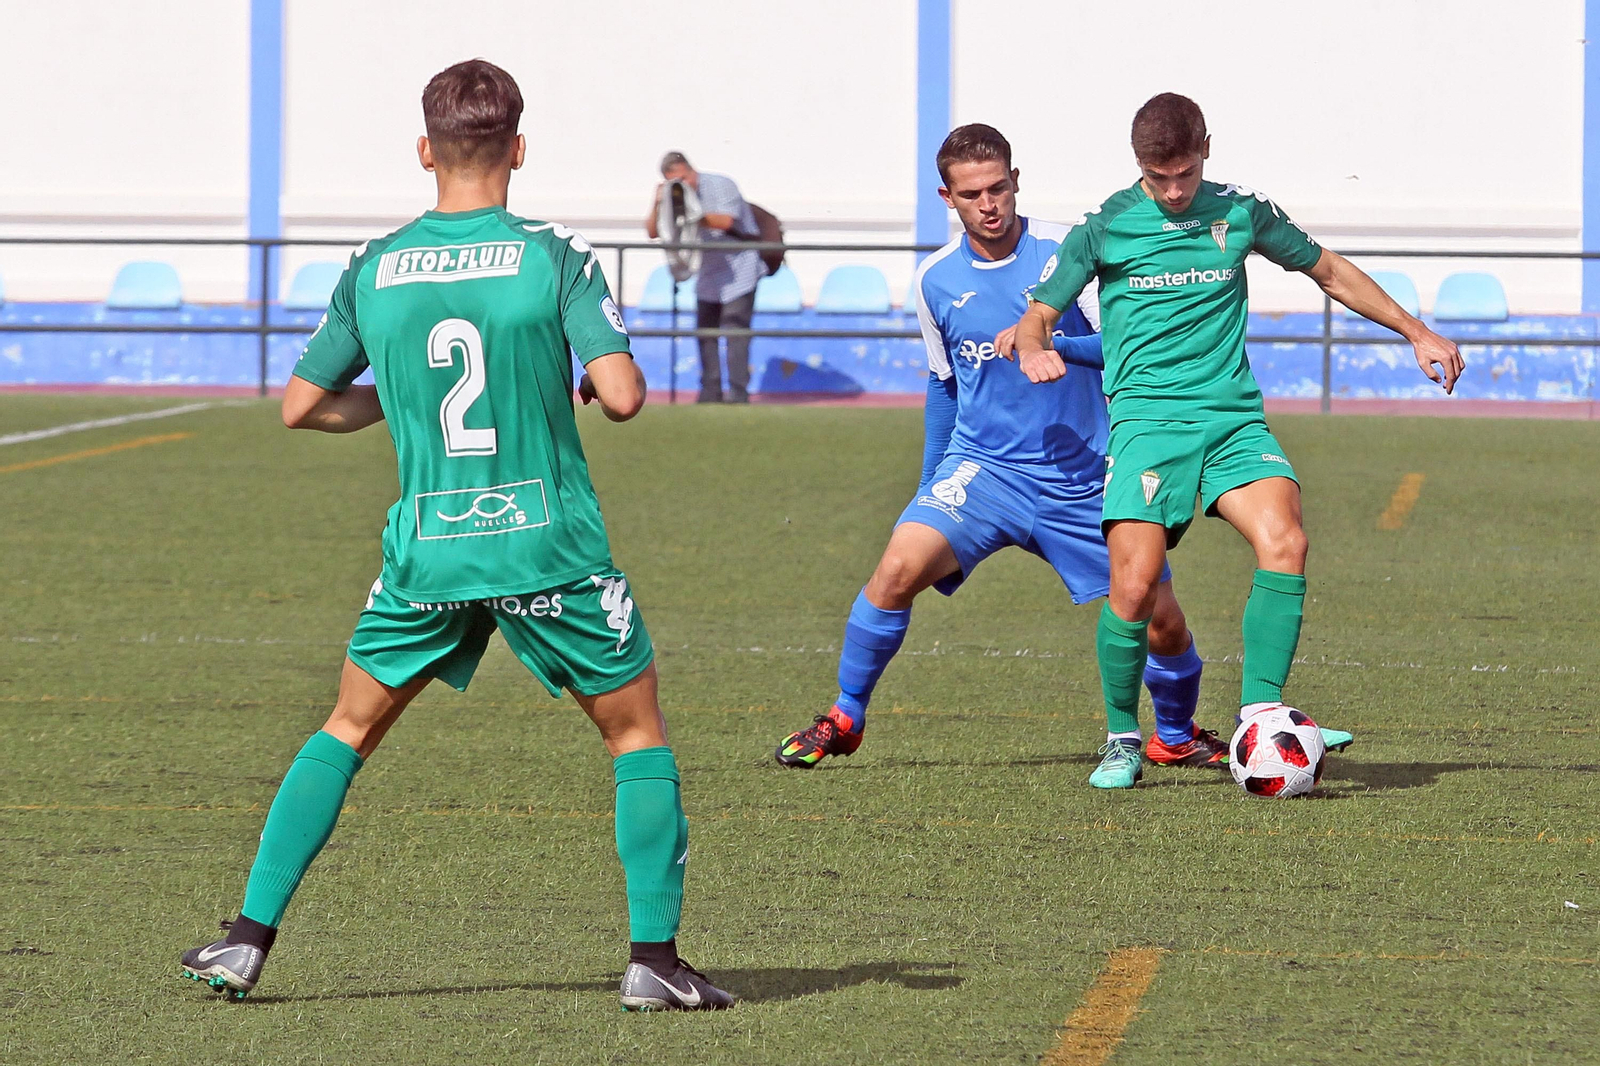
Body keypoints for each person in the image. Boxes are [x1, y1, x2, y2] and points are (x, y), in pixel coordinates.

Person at [180, 59, 732, 1013]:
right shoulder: (552, 253)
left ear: (425, 151)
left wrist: (401, 402)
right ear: (518, 150)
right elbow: (626, 397)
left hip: (428, 548)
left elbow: (303, 406)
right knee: (635, 735)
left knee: (346, 729)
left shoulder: (377, 264)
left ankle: (244, 941)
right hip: (546, 542)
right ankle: (654, 959)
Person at [773, 124, 1232, 789]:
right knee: (897, 567)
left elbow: (1128, 348)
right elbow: (943, 385)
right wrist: (932, 482)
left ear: (1016, 181)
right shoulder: (935, 279)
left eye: (997, 188)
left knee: (1160, 620)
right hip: (984, 471)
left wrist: (1048, 345)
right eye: (971, 194)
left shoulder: (1068, 249)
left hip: (1082, 473)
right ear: (948, 198)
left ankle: (1175, 735)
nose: (988, 204)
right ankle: (845, 716)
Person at [1009, 93, 1460, 750]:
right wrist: (1031, 350)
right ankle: (1122, 738)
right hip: (1148, 427)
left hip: (1231, 421)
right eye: (1156, 177)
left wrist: (1416, 332)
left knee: (1287, 542)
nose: (1171, 190)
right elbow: (1038, 314)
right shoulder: (1105, 227)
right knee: (1133, 587)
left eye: (1183, 175)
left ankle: (1262, 716)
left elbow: (1328, 271)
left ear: (1206, 150)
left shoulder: (1242, 211)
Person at [645, 152, 762, 403]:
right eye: (674, 182)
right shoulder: (671, 197)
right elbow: (653, 231)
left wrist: (689, 209)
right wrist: (660, 203)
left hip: (739, 269)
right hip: (707, 273)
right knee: (705, 334)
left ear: (692, 170)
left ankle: (739, 394)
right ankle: (710, 392)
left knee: (736, 333)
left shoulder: (721, 185)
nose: (682, 186)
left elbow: (725, 220)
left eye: (684, 179)